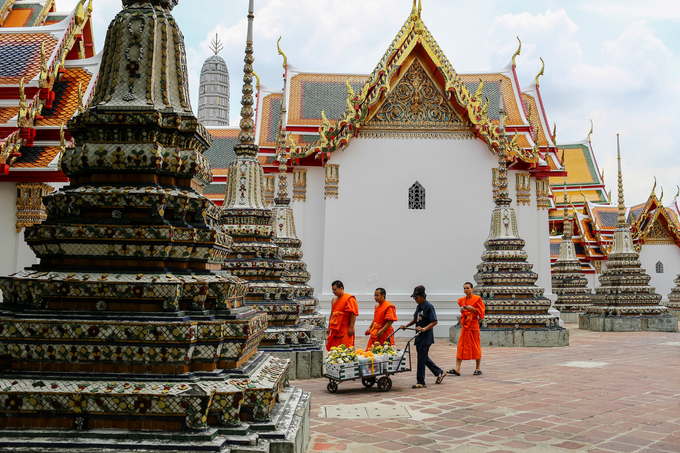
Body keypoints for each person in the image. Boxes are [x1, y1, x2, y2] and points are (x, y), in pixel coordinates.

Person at [399, 285, 446, 388]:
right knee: (423, 357)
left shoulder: (429, 306)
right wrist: (406, 326)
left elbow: (434, 321)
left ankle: (421, 382)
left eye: (416, 297)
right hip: (419, 336)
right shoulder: (419, 306)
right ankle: (439, 372)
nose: (415, 299)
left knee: (421, 358)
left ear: (422, 296)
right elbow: (415, 318)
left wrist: (424, 328)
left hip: (426, 337)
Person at [450, 282, 485, 376]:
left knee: (476, 346)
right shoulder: (461, 300)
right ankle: (457, 368)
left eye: (468, 288)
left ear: (472, 289)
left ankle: (477, 368)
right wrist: (462, 310)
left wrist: (472, 308)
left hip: (473, 325)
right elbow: (463, 310)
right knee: (461, 345)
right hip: (465, 325)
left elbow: (481, 313)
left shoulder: (477, 299)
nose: (466, 290)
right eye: (464, 288)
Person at [326, 280, 359, 351]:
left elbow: (353, 314)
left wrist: (351, 327)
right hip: (335, 328)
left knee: (346, 347)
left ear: (341, 288)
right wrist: (329, 327)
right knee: (334, 347)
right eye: (332, 290)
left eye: (335, 289)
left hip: (345, 327)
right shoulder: (333, 300)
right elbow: (332, 314)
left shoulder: (349, 298)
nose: (333, 291)